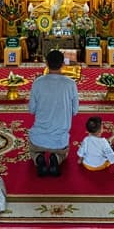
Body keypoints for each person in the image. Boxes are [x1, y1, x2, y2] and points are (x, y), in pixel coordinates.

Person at [28, 49, 79, 177]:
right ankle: (56, 158)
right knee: (63, 153)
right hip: (59, 141)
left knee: (33, 151)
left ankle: (39, 158)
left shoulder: (37, 83)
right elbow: (75, 111)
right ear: (63, 64)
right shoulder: (71, 84)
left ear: (46, 63)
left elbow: (31, 110)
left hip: (37, 139)